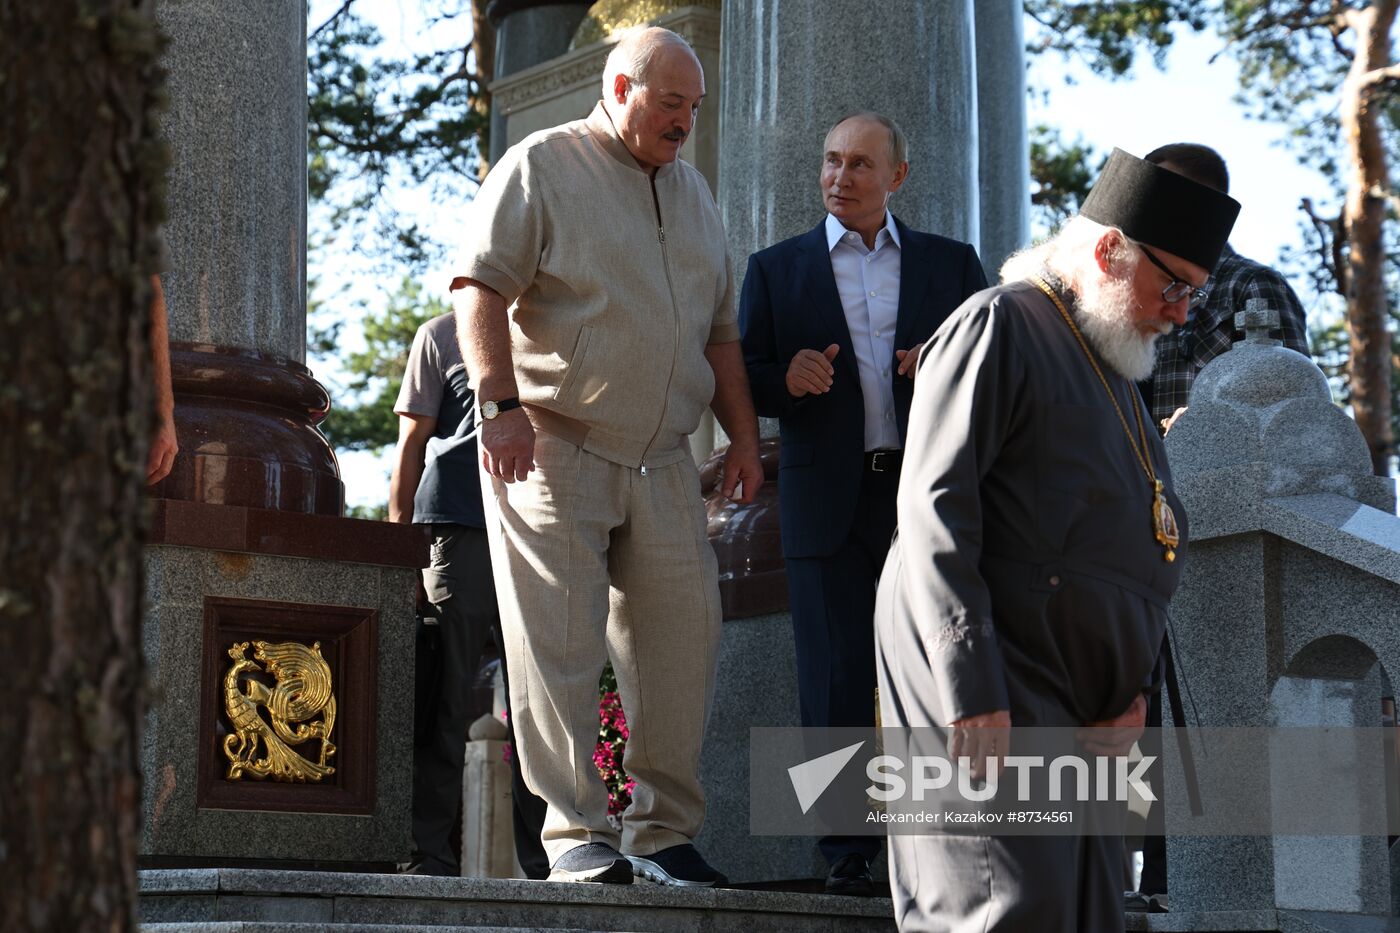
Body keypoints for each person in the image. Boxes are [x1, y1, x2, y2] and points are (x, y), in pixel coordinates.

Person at [874, 148, 1240, 932]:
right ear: (1110, 250)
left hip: (1090, 725)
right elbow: (935, 505)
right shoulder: (1002, 322)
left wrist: (1128, 701)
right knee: (1002, 912)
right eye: (1172, 285)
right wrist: (971, 691)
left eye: (1192, 295)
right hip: (995, 688)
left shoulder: (1115, 373)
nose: (1180, 312)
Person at [450, 26, 762, 887]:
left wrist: (741, 434)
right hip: (552, 446)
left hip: (666, 460)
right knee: (558, 646)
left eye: (694, 108)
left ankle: (662, 833)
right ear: (620, 88)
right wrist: (500, 406)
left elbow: (722, 333)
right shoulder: (541, 164)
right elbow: (479, 286)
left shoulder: (696, 193)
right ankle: (573, 834)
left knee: (682, 641)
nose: (685, 124)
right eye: (670, 105)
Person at [739, 111, 987, 896]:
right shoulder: (776, 269)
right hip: (823, 498)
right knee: (832, 676)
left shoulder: (953, 266)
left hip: (930, 498)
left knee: (943, 665)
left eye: (858, 165)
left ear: (897, 177)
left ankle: (948, 835)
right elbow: (741, 372)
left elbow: (995, 366)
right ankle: (845, 848)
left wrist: (941, 361)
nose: (839, 178)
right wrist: (788, 380)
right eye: (830, 161)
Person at [389, 312, 549, 879]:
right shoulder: (438, 333)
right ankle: (426, 854)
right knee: (446, 694)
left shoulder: (555, 314)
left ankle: (549, 859)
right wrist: (400, 549)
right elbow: (412, 442)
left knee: (538, 701)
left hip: (543, 523)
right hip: (458, 521)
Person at [1141, 142, 1309, 432]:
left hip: (1219, 473)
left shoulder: (1252, 284)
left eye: (1166, 196)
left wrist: (1211, 428)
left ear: (1206, 205)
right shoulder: (1136, 287)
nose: (1150, 208)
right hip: (1134, 473)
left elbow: (1296, 410)